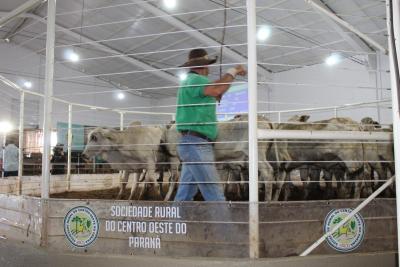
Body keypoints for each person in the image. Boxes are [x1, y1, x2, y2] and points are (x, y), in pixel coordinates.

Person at [174, 48, 246, 201]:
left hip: (189, 142)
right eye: (207, 65)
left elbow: (216, 87)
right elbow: (218, 88)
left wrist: (220, 86)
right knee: (214, 191)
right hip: (197, 144)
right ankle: (224, 225)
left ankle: (176, 224)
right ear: (204, 65)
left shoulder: (190, 81)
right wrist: (233, 71)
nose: (209, 68)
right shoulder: (196, 80)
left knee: (185, 193)